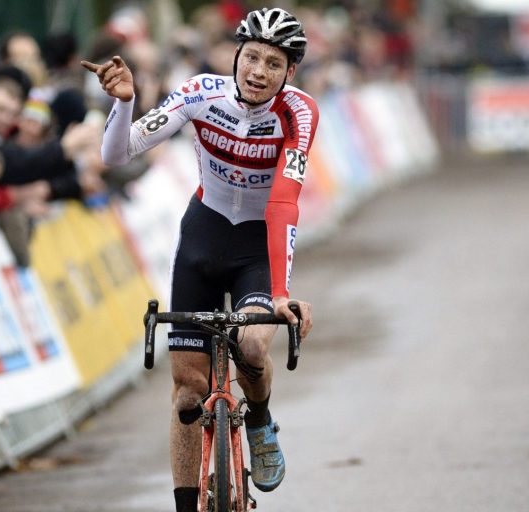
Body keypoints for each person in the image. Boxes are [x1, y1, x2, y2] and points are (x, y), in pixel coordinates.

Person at [83, 8, 316, 510]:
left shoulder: (299, 113)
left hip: (258, 243)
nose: (258, 71)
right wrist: (124, 104)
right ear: (235, 55)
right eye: (251, 56)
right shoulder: (199, 93)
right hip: (203, 236)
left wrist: (278, 296)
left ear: (289, 72)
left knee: (253, 345)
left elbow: (284, 202)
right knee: (188, 392)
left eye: (273, 63)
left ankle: (258, 420)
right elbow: (117, 155)